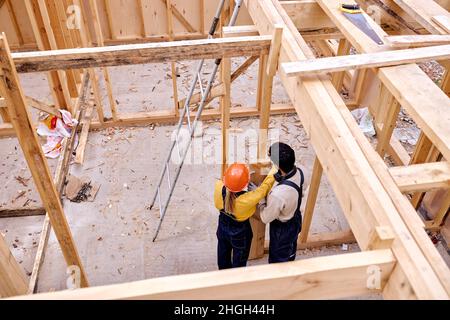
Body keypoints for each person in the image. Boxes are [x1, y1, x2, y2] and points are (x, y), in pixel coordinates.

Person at [214, 163, 275, 270]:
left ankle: (223, 277)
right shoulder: (247, 200)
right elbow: (264, 188)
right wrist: (275, 168)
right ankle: (237, 280)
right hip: (240, 232)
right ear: (246, 184)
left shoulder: (218, 186)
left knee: (223, 254)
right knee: (239, 262)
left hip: (222, 227)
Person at [259, 142, 304, 263]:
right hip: (295, 219)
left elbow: (265, 217)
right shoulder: (299, 172)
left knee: (278, 259)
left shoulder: (278, 195)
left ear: (278, 166)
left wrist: (261, 197)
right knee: (290, 246)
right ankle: (290, 257)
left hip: (282, 229)